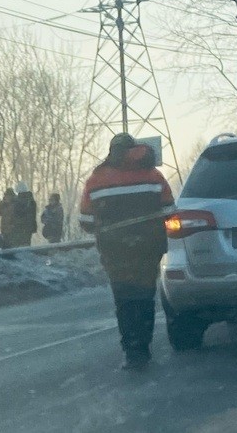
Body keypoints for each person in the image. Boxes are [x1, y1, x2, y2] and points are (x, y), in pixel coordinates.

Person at [79, 133, 175, 371]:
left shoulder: (97, 179)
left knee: (124, 299)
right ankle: (143, 345)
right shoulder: (153, 175)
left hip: (115, 251)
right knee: (144, 297)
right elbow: (170, 211)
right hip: (147, 248)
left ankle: (132, 351)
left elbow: (85, 221)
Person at [11, 181, 37, 247]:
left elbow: (17, 213)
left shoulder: (18, 201)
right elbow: (33, 214)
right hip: (29, 226)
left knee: (20, 244)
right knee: (26, 243)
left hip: (20, 225)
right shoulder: (31, 200)